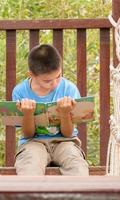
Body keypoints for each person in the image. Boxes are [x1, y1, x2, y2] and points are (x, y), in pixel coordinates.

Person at [12, 44, 89, 176]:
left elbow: (68, 133)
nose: (54, 84)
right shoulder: (20, 92)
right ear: (31, 75)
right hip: (33, 143)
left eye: (58, 76)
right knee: (29, 165)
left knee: (77, 165)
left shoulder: (69, 89)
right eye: (47, 81)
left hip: (65, 142)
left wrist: (65, 113)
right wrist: (28, 114)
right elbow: (28, 134)